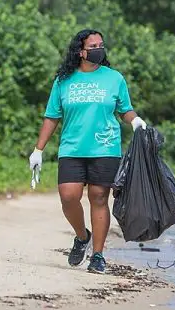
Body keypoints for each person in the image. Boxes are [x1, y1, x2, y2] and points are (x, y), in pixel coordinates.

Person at [29, 29, 146, 274]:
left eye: (101, 44)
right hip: (72, 147)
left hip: (105, 146)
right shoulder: (64, 80)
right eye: (93, 45)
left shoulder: (114, 78)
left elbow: (125, 109)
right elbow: (52, 117)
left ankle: (98, 255)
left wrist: (135, 121)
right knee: (68, 196)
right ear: (81, 51)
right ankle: (82, 237)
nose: (98, 49)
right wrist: (38, 150)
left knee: (99, 197)